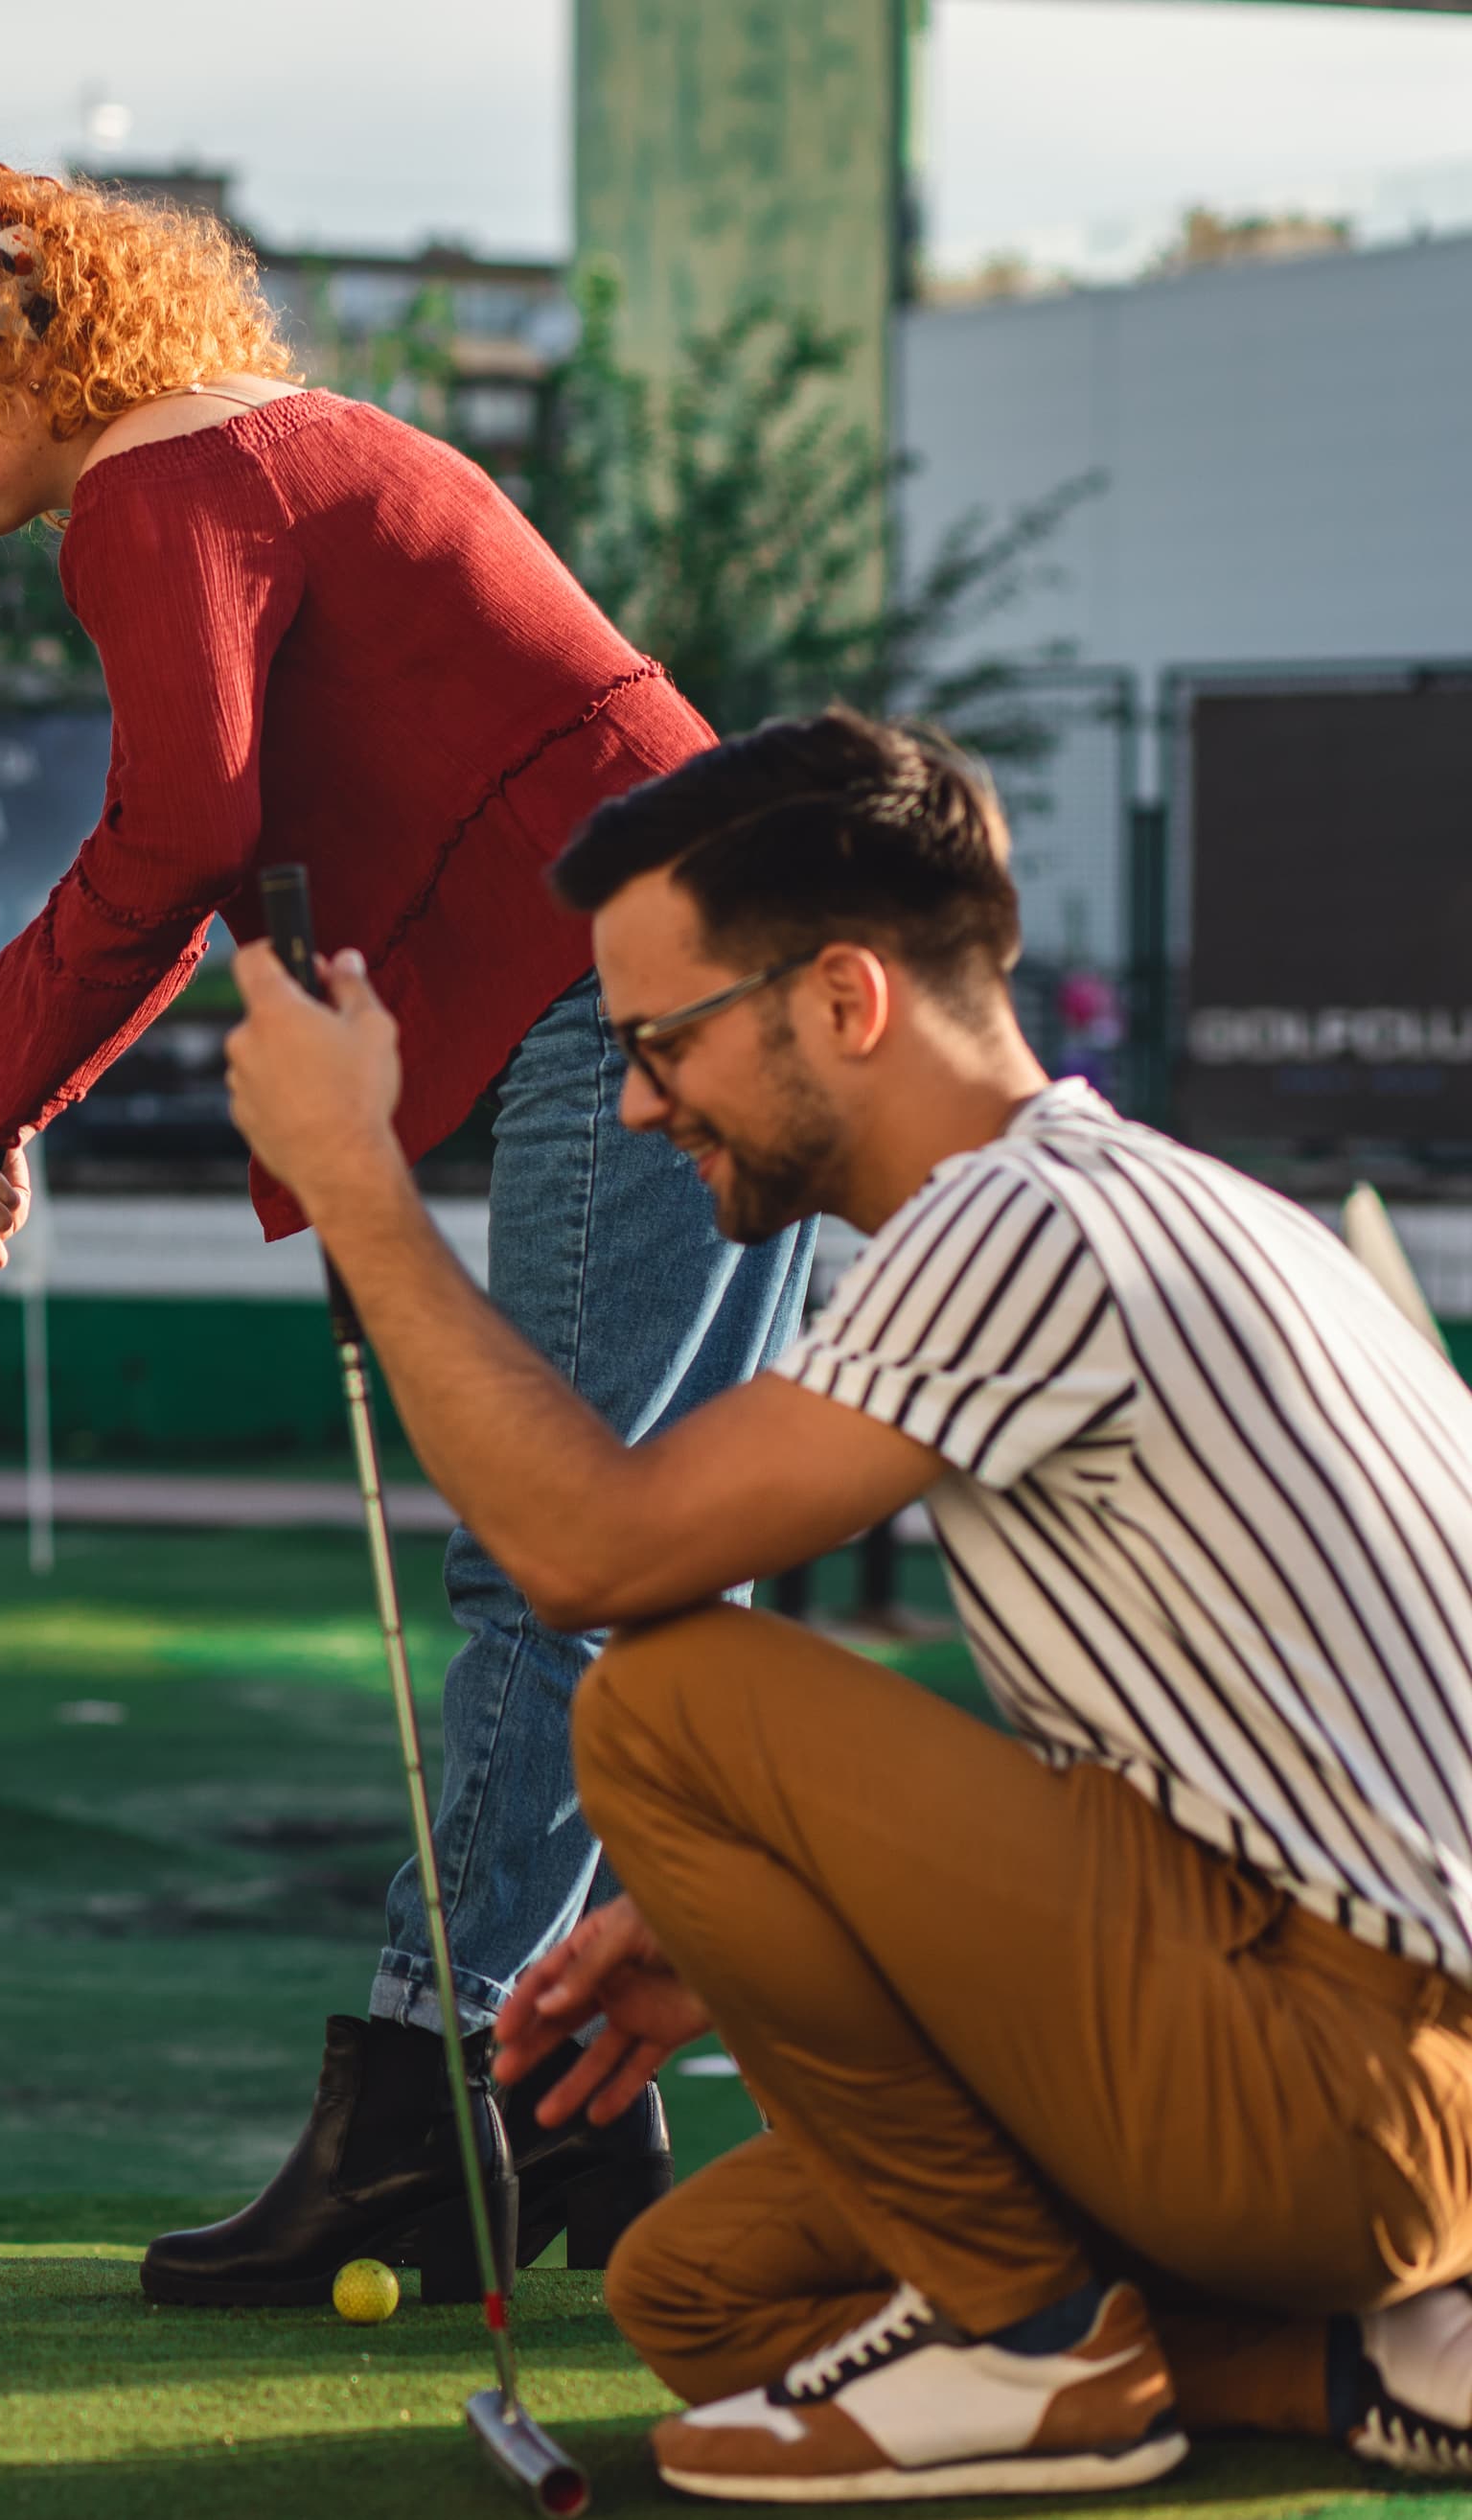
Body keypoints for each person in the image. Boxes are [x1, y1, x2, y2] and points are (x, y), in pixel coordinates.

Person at [0, 143, 815, 2298]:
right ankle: (586, 2119)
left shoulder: (156, 490)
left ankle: (422, 2117)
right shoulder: (264, 448)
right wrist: (5, 1086)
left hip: (654, 993)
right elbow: (212, 845)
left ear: (12, 342)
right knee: (641, 1567)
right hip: (744, 971)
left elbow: (178, 827)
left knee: (556, 1551)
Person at [220, 704, 1472, 2500]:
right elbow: (1241, 1774)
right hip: (1355, 2062)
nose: (641, 1100)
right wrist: (808, 1929)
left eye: (661, 1039)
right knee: (698, 2289)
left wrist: (358, 1183)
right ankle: (1360, 2361)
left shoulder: (1011, 1223)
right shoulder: (1168, 1197)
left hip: (1340, 2084)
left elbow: (590, 1552)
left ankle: (1041, 2348)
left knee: (665, 1700)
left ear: (844, 1001)